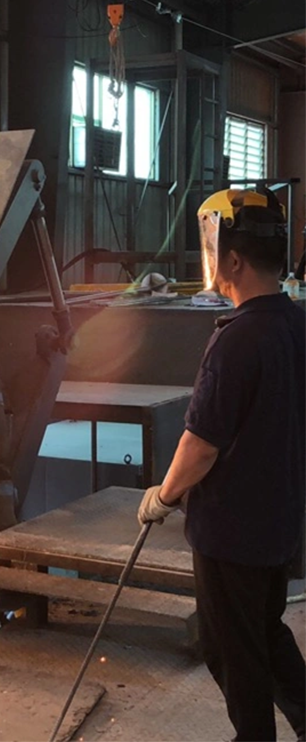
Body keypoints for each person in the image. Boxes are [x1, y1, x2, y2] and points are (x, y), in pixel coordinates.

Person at [138, 188, 306, 742]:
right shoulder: (296, 325)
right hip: (279, 522)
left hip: (233, 531)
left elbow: (202, 443)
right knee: (264, 630)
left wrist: (163, 496)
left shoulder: (237, 340)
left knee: (233, 649)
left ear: (232, 260)